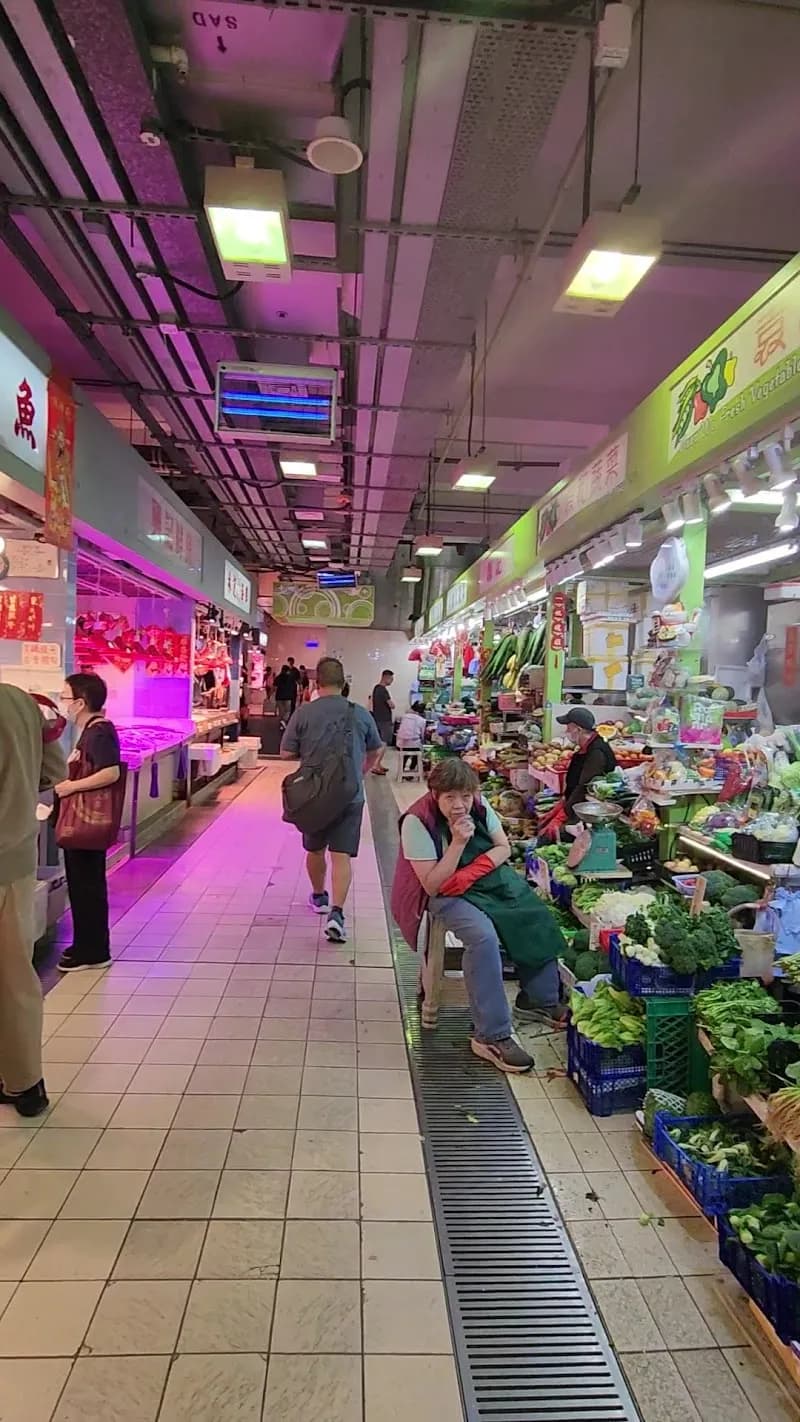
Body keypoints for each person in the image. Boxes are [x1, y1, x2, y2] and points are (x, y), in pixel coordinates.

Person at [391, 758, 567, 1074]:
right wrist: (458, 844)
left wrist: (474, 870)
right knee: (483, 936)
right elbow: (432, 884)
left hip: (481, 880)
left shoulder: (480, 804)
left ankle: (539, 999)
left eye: (465, 796)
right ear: (434, 794)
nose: (459, 805)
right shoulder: (417, 822)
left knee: (533, 912)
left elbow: (503, 848)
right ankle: (491, 1035)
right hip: (441, 894)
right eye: (449, 798)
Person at [281, 656, 382, 943]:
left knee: (315, 850)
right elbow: (376, 750)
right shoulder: (360, 713)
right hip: (350, 795)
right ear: (344, 683)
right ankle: (337, 913)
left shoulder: (304, 713)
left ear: (317, 682)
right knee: (341, 856)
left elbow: (286, 753)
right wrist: (360, 771)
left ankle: (319, 896)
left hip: (313, 795)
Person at [0, 686, 67, 1116]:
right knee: (16, 975)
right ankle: (26, 1084)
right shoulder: (22, 703)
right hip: (14, 861)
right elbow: (55, 770)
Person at [56, 672, 122, 973]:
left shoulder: (99, 731)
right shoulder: (92, 729)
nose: (62, 703)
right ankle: (87, 945)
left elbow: (110, 773)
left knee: (87, 885)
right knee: (83, 884)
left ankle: (94, 950)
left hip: (86, 820)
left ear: (80, 703)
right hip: (83, 820)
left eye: (64, 697)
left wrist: (71, 787)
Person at [557, 707, 617, 820]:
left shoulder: (596, 751)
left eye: (568, 728)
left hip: (589, 810)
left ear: (578, 729)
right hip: (580, 806)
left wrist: (567, 811)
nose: (566, 732)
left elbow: (584, 785)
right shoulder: (587, 747)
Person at [370, 669, 395, 775]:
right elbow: (391, 705)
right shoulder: (383, 690)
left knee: (379, 742)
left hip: (377, 719)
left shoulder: (376, 688)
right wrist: (393, 704)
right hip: (384, 720)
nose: (392, 681)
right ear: (386, 677)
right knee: (384, 743)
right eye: (391, 679)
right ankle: (376, 765)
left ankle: (377, 764)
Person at [396, 701, 427, 775]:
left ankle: (402, 770)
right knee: (417, 754)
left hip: (402, 743)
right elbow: (422, 735)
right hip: (414, 743)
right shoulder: (422, 720)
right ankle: (412, 770)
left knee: (405, 755)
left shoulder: (404, 717)